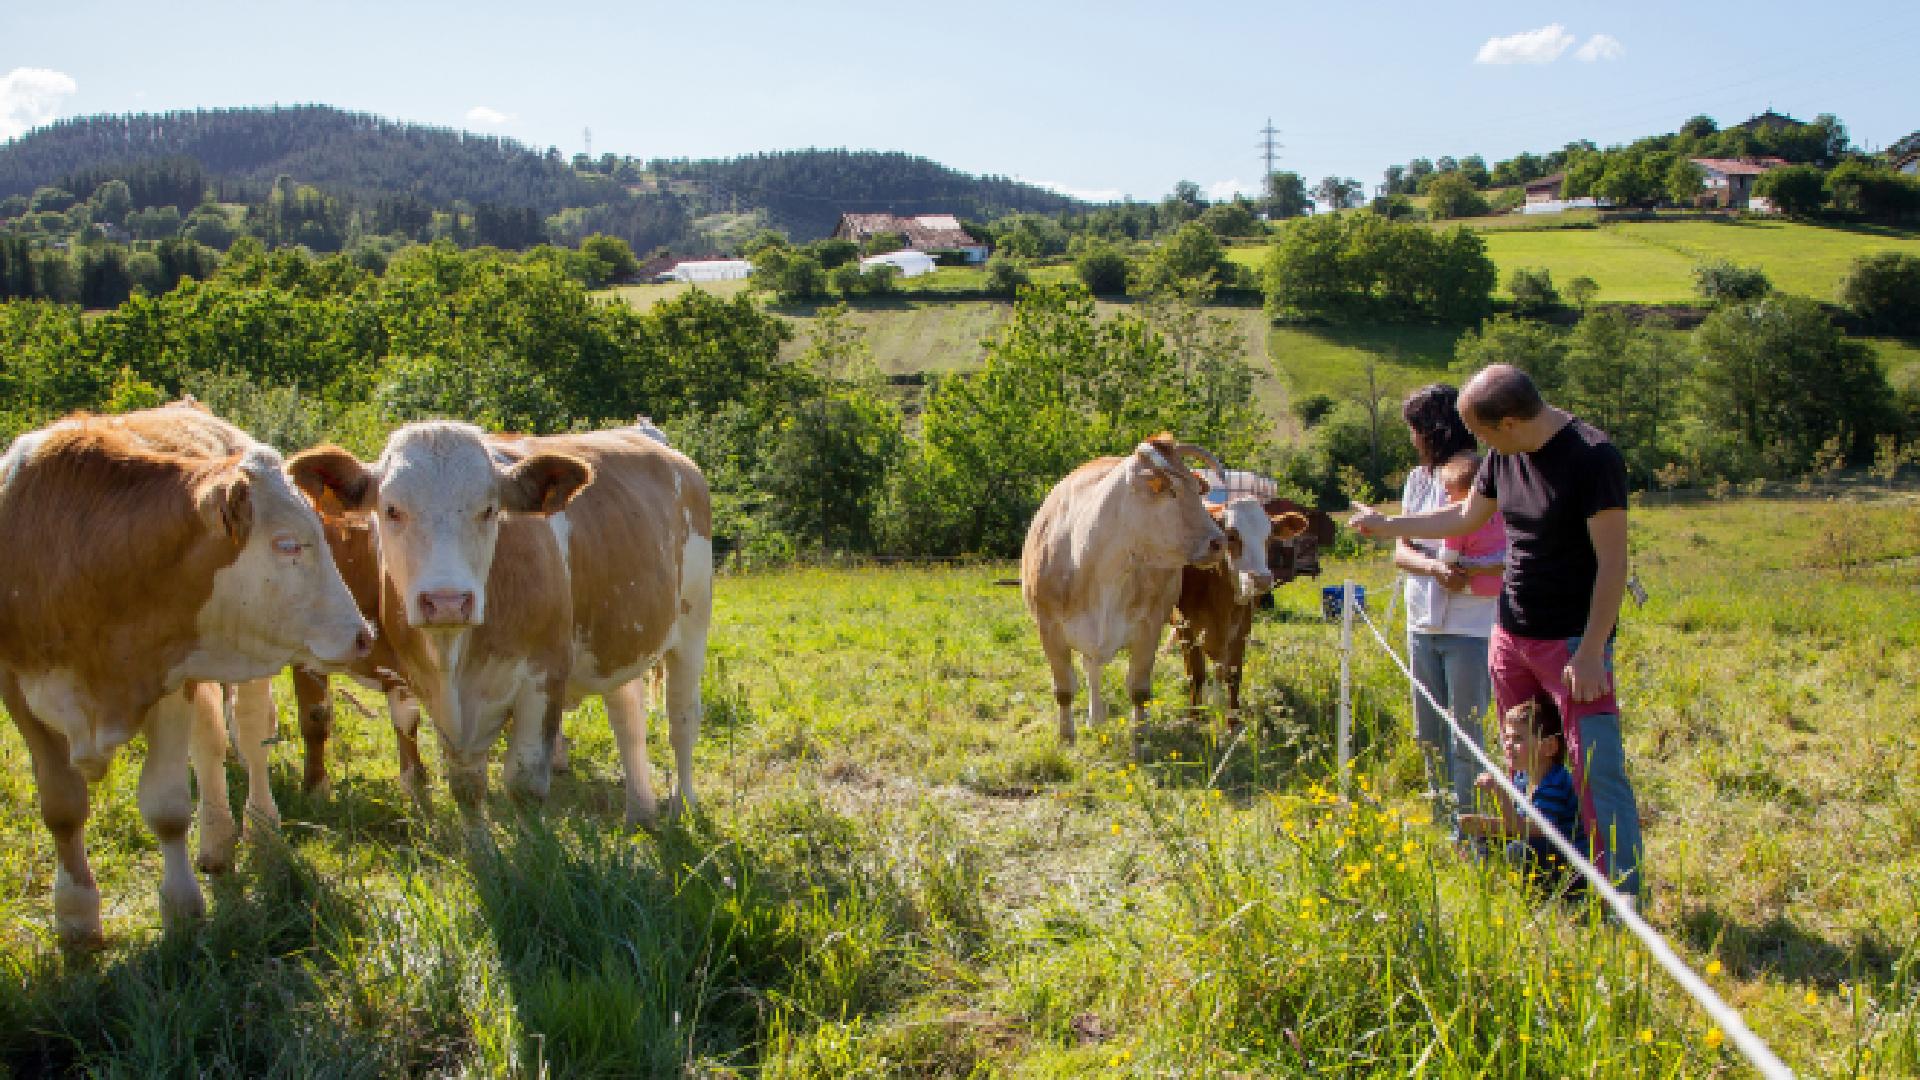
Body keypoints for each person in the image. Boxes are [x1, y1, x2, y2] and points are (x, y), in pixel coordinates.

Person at [1349, 364, 1643, 900]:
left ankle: (1620, 893)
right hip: (1512, 634)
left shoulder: (1593, 458)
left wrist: (1595, 647)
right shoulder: (1504, 456)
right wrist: (1389, 526)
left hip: (1574, 642)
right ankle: (1543, 872)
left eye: (1480, 432)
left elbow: (1614, 563)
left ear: (1507, 421)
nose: (1473, 444)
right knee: (1523, 758)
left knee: (1593, 766)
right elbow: (1463, 517)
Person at [1392, 385, 1500, 839]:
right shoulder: (1418, 480)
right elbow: (1401, 550)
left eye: (1416, 429)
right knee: (1429, 731)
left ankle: (1468, 828)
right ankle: (1441, 815)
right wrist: (1434, 567)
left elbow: (1506, 548)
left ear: (1433, 429)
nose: (1413, 439)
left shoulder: (1486, 476)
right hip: (1423, 621)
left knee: (1467, 734)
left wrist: (1466, 571)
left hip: (1472, 626)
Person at [1459, 695, 1582, 894]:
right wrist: (1485, 826)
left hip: (1564, 860)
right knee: (1484, 837)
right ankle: (1486, 887)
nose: (1507, 745)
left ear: (1549, 747)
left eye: (1517, 739)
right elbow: (1516, 824)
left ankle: (1540, 895)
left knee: (1518, 850)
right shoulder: (1523, 778)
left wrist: (1500, 794)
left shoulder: (1555, 782)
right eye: (1506, 738)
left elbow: (1536, 830)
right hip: (1535, 842)